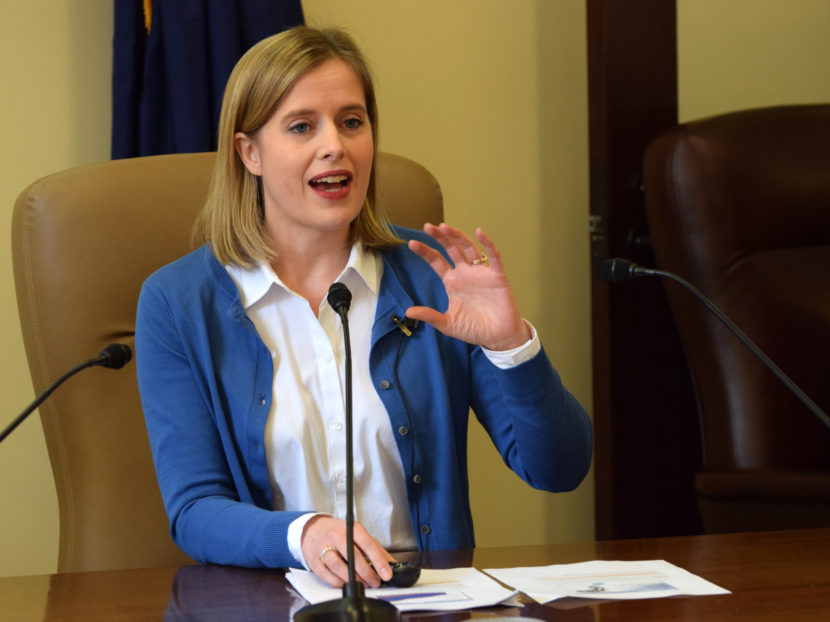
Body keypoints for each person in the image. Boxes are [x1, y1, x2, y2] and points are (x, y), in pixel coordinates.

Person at [135, 25, 592, 590]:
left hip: (426, 603)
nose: (336, 145)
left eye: (352, 122)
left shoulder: (433, 278)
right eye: (302, 126)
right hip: (271, 604)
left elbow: (560, 470)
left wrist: (511, 346)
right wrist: (304, 535)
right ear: (249, 153)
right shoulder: (176, 302)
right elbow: (194, 510)